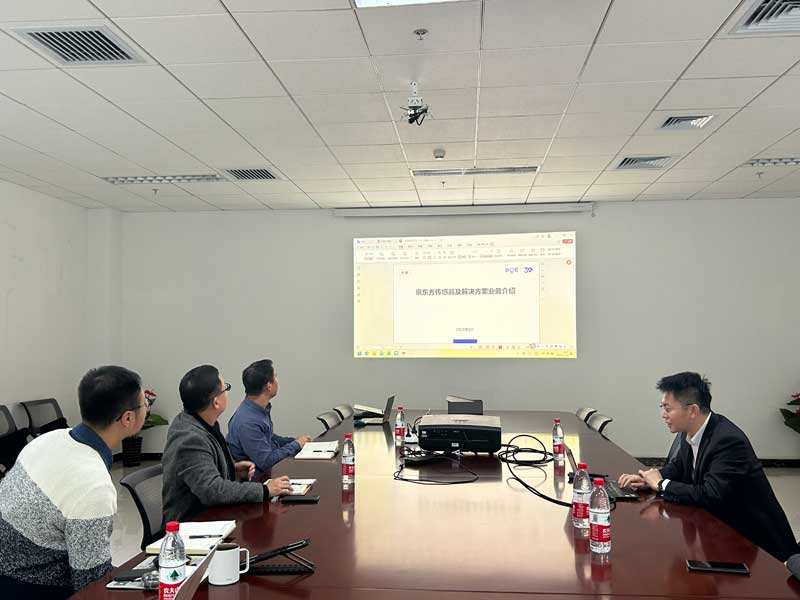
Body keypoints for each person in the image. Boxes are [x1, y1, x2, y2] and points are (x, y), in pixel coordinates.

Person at [0, 366, 146, 598]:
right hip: (30, 583)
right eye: (144, 403)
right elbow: (90, 584)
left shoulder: (46, 440)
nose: (146, 407)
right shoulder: (93, 487)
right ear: (128, 418)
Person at [619, 371, 797, 562]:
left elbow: (710, 494)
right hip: (720, 531)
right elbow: (680, 468)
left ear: (692, 410)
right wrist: (650, 479)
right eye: (662, 407)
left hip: (757, 547)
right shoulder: (691, 430)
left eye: (668, 409)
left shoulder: (728, 441)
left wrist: (661, 485)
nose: (663, 415)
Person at [162, 365, 293, 523]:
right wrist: (265, 490)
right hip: (192, 523)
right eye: (226, 389)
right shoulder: (190, 439)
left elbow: (201, 472)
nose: (227, 393)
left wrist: (232, 469)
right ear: (216, 402)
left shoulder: (201, 422)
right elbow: (212, 490)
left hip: (212, 513)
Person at [227, 359, 312, 480]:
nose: (277, 380)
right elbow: (266, 461)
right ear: (269, 386)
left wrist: (295, 441)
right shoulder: (248, 422)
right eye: (275, 377)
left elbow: (270, 437)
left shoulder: (257, 408)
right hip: (259, 482)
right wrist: (296, 444)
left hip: (268, 474)